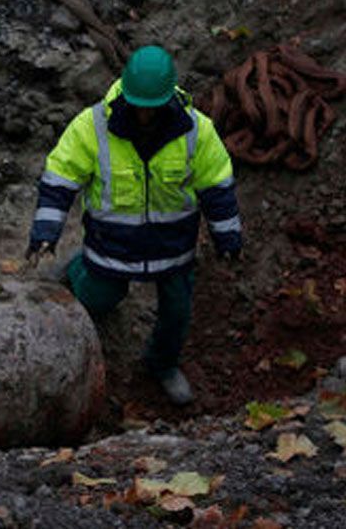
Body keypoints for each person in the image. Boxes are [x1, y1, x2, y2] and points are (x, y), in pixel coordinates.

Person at [26, 45, 243, 405]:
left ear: (168, 97)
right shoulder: (92, 126)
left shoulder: (196, 132)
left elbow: (217, 187)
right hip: (112, 246)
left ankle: (163, 364)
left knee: (177, 313)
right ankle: (78, 267)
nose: (144, 114)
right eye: (139, 105)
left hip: (173, 248)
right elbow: (59, 179)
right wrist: (45, 232)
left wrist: (228, 235)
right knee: (98, 298)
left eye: (151, 106)